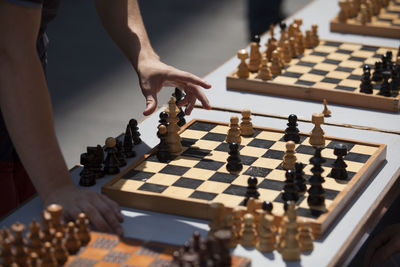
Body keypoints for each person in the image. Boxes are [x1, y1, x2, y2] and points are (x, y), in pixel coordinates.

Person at [0, 0, 211, 235]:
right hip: (14, 64)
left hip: (24, 58)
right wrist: (57, 187)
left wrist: (145, 56)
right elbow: (11, 52)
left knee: (27, 220)